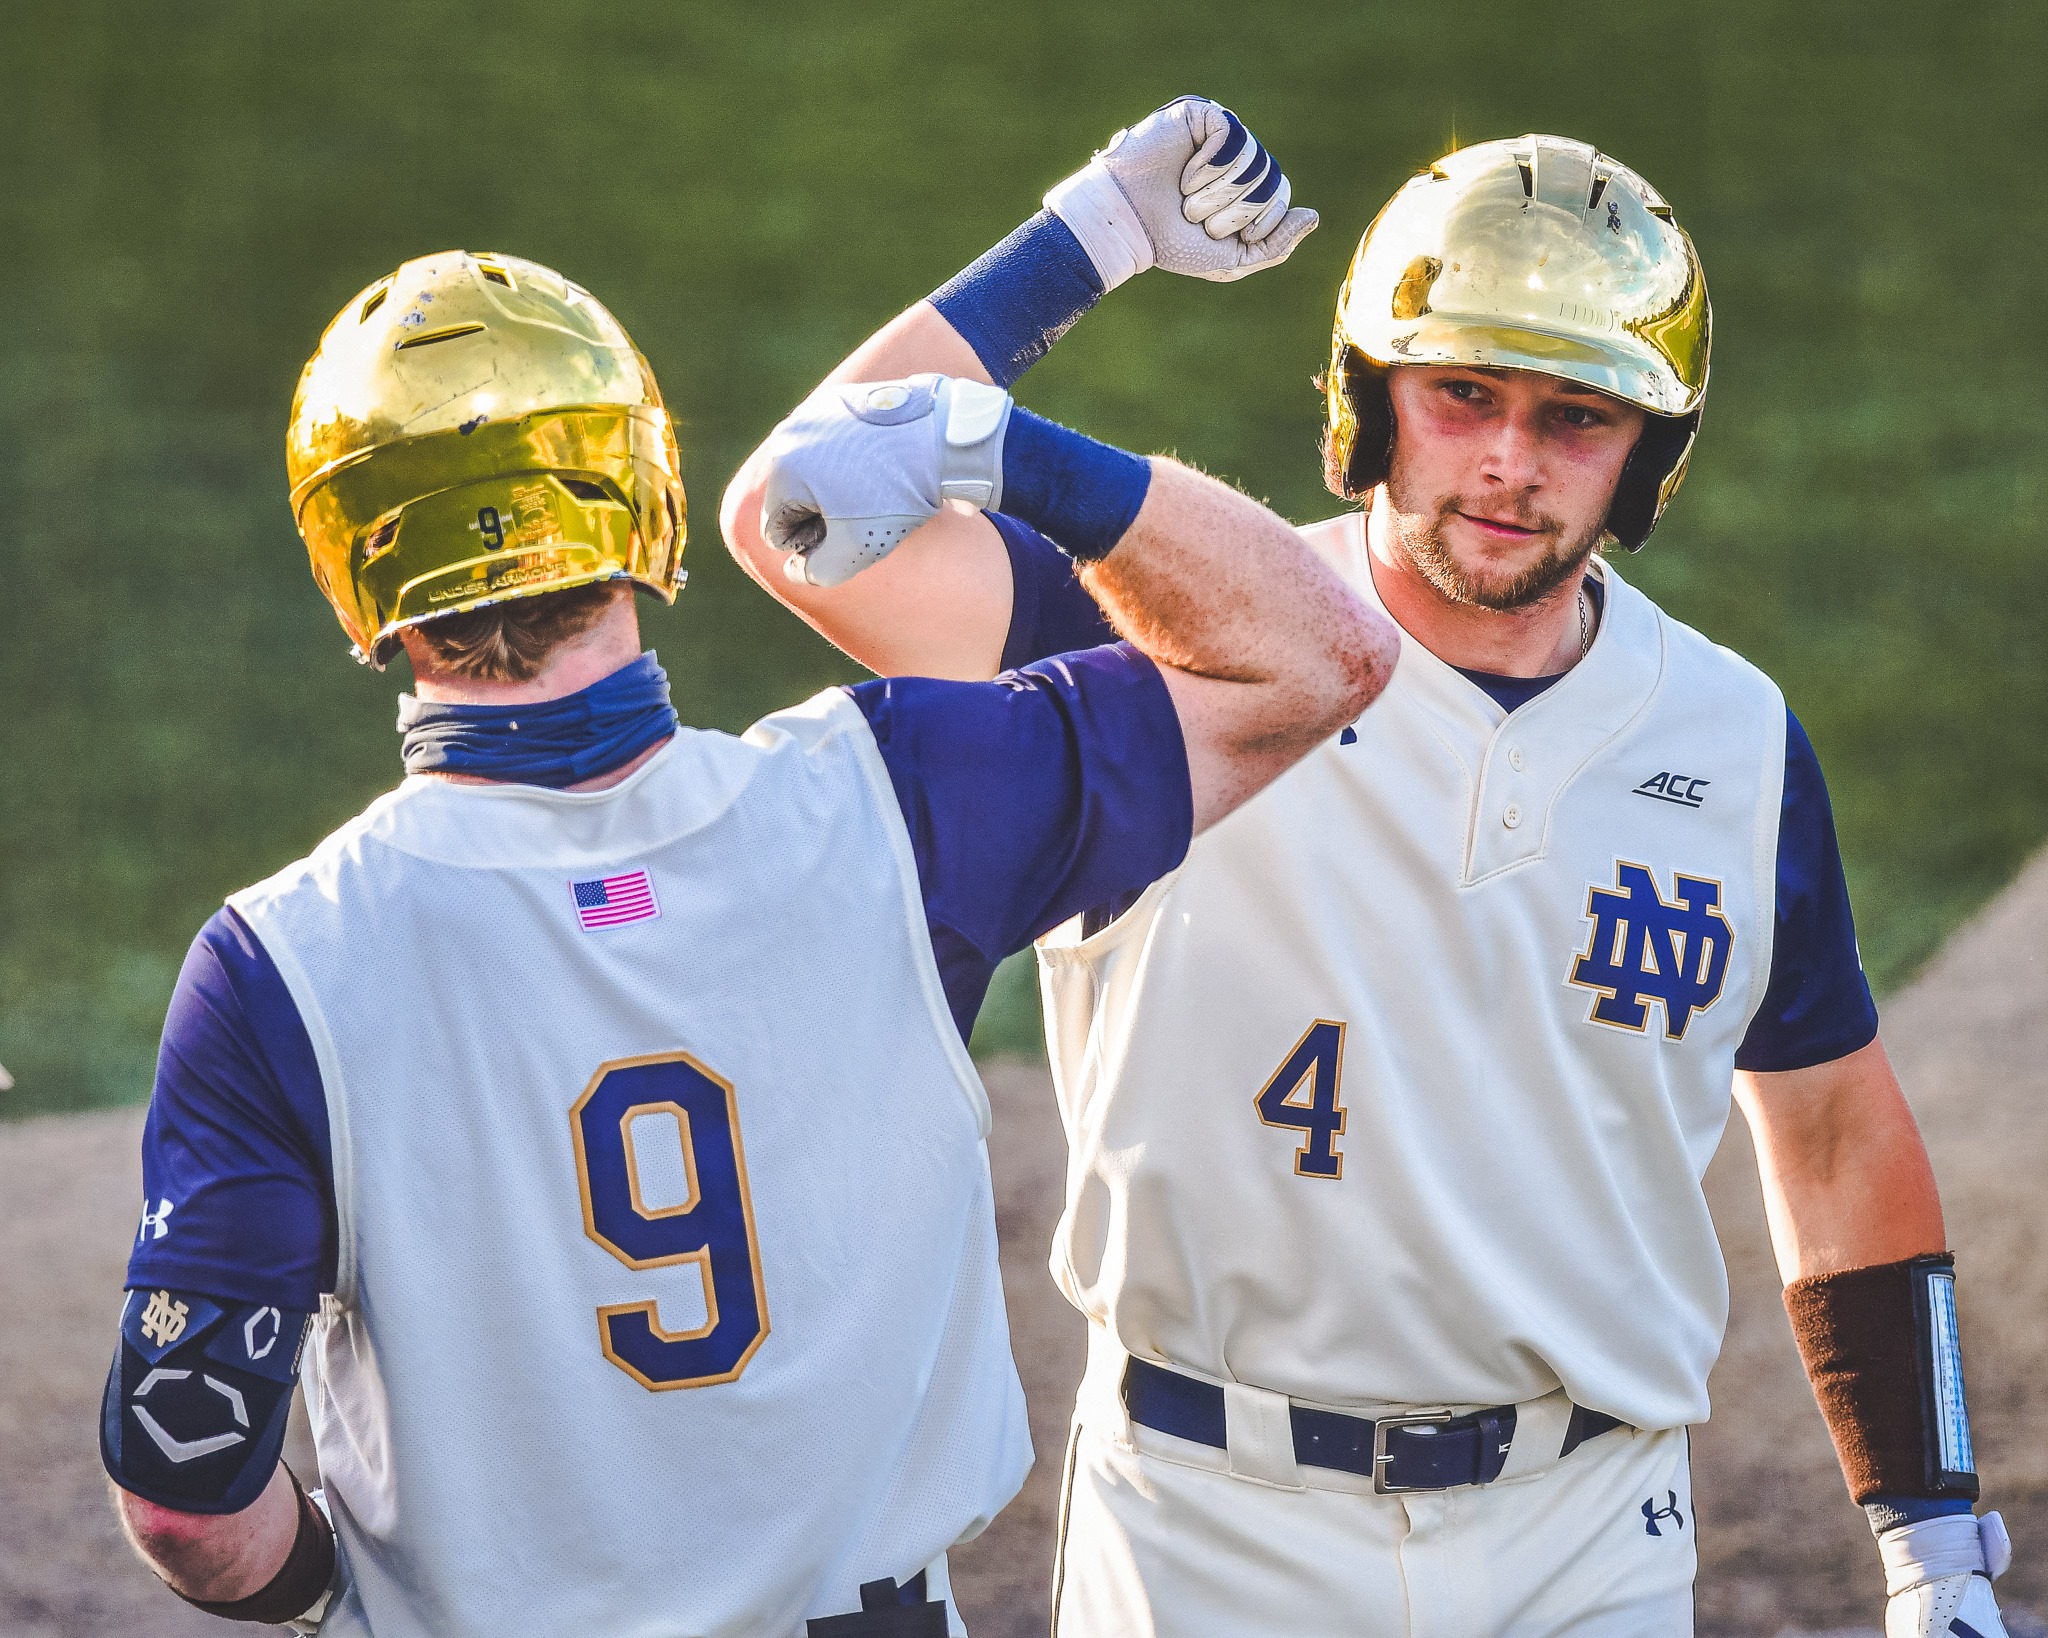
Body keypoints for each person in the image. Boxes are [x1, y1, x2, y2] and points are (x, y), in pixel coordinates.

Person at [722, 102, 2016, 1636]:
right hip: (1212, 1526)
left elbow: (1835, 1129)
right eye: (1463, 394)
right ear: (1372, 399)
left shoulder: (1732, 741)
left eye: (1576, 418)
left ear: (1646, 455)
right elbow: (792, 512)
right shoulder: (1175, 653)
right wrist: (1090, 240)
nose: (1512, 465)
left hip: (1590, 1533)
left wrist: (1930, 1537)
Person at [99, 248, 1393, 1637]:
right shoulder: (899, 795)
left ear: (357, 566)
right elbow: (1317, 653)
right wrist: (1008, 447)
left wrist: (338, 1591)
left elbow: (188, 1497)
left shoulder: (278, 968)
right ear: (640, 493)